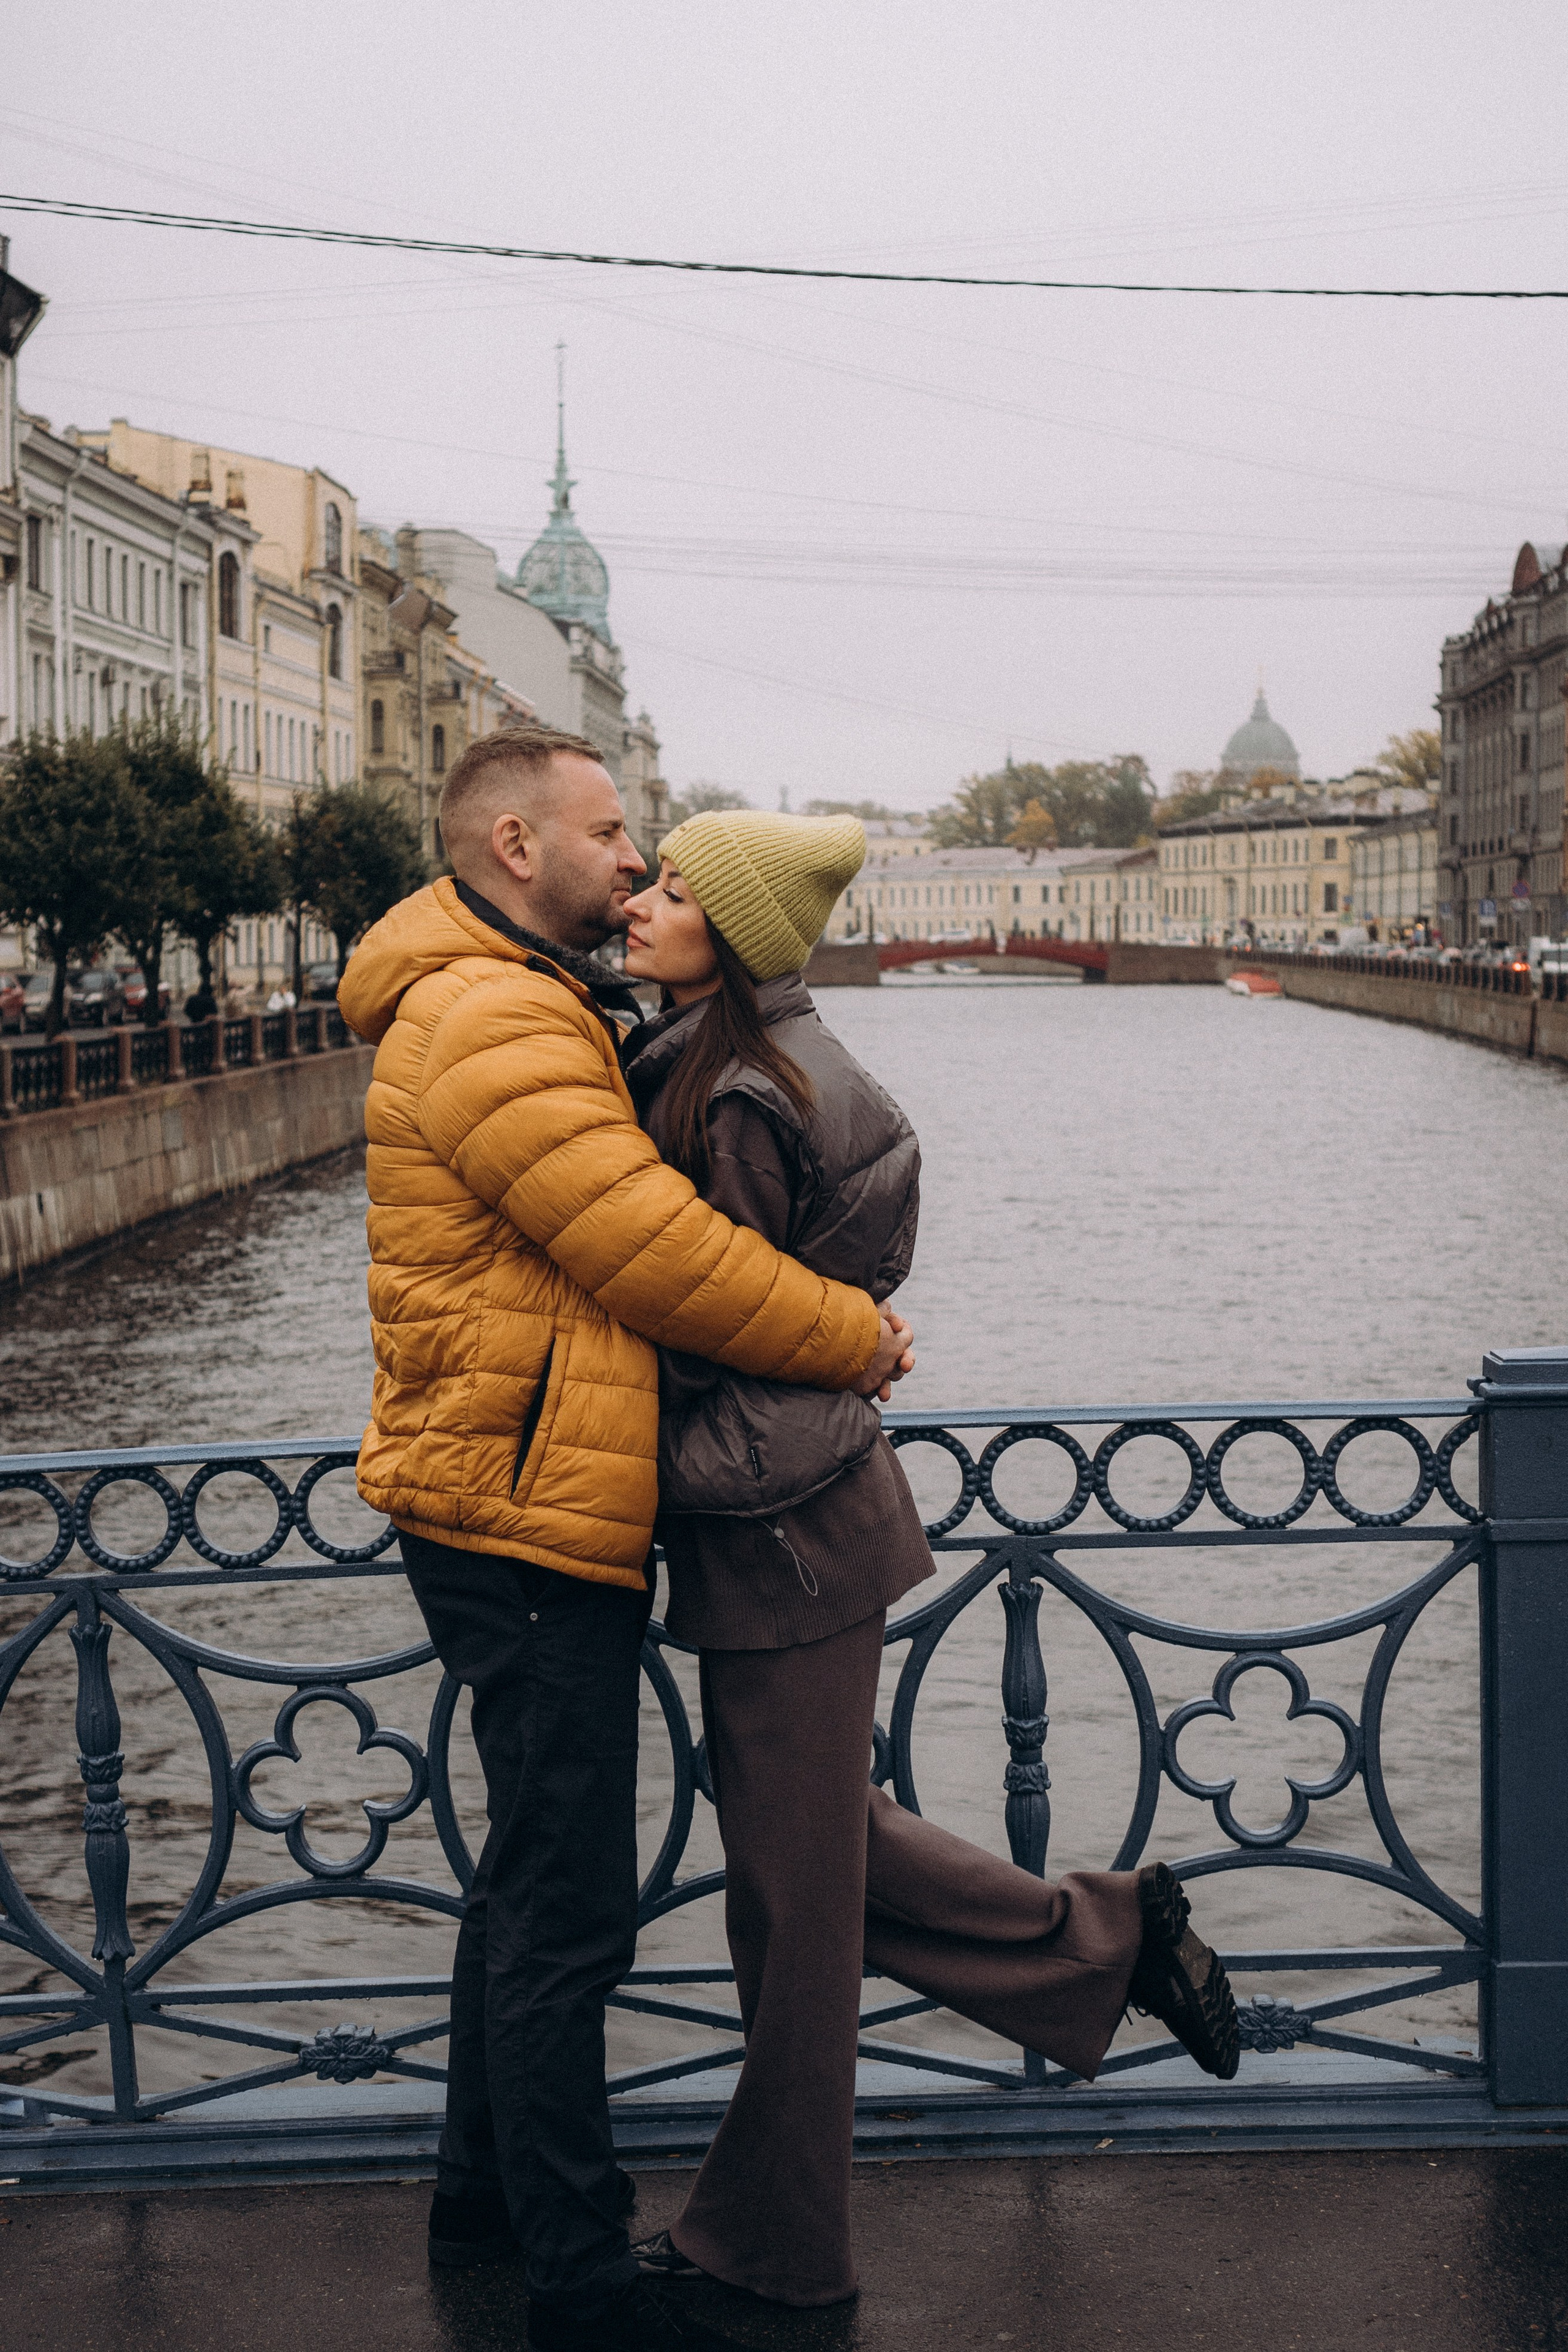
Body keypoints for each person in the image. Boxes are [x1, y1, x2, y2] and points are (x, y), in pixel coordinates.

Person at [617, 809, 1241, 2310]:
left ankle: (774, 2253)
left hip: (785, 1532)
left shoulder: (740, 1097)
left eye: (675, 889)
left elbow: (721, 1316)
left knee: (793, 1911)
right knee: (814, 1865)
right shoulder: (746, 1060)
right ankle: (1112, 1936)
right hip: (800, 1518)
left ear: (744, 934)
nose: (640, 902)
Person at [338, 727, 914, 2352]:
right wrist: (852, 1335)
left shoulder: (516, 993)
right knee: (572, 1902)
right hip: (520, 1511)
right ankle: (582, 2280)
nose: (632, 859)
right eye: (611, 834)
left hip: (520, 1489)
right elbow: (655, 1252)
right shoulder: (494, 1013)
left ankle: (479, 2198)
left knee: (532, 1875)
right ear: (517, 846)